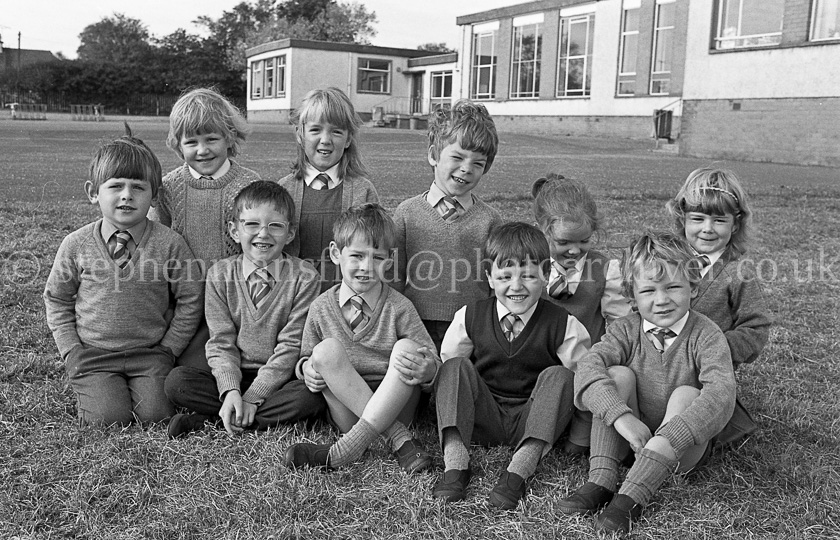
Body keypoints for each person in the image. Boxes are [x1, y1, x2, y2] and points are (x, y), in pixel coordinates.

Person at [558, 231, 736, 535]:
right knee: (617, 376)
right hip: (630, 440)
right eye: (649, 290)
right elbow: (588, 367)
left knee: (686, 394)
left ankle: (630, 498)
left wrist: (666, 439)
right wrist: (622, 416)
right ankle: (600, 479)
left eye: (673, 287)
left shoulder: (707, 335)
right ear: (633, 297)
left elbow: (721, 394)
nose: (662, 299)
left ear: (693, 288)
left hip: (680, 452)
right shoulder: (625, 330)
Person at [43, 124, 203, 427]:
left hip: (150, 354)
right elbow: (57, 299)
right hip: (94, 355)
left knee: (156, 415)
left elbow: (190, 299)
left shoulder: (170, 244)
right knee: (109, 418)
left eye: (138, 187)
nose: (127, 196)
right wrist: (71, 350)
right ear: (94, 193)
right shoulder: (76, 244)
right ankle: (98, 388)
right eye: (116, 186)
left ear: (154, 196)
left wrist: (170, 348)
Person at [432, 222, 591, 510]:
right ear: (490, 278)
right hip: (483, 417)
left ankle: (518, 470)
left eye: (528, 275)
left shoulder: (563, 324)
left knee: (561, 376)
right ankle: (455, 464)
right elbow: (448, 367)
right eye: (505, 276)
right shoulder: (470, 316)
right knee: (454, 366)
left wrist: (580, 436)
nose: (516, 286)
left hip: (532, 421)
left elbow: (583, 382)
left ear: (545, 275)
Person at [283, 204, 438, 474]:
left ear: (388, 261)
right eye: (356, 256)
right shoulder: (321, 307)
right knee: (325, 351)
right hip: (347, 410)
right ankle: (399, 438)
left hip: (395, 404)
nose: (366, 267)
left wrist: (429, 369)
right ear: (335, 253)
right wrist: (306, 369)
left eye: (377, 258)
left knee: (407, 348)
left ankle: (347, 450)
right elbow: (306, 357)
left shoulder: (399, 307)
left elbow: (432, 359)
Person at [164, 181, 326, 437]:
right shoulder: (220, 274)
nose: (263, 234)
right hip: (232, 374)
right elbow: (220, 341)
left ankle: (216, 418)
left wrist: (254, 396)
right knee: (177, 382)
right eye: (251, 224)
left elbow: (291, 346)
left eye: (275, 226)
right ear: (234, 230)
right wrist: (231, 391)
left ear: (290, 233)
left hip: (280, 378)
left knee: (311, 396)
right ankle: (234, 408)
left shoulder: (305, 276)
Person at [150, 87, 262, 369]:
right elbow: (156, 237)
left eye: (211, 139)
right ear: (178, 145)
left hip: (236, 302)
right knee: (185, 367)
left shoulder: (250, 185)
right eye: (191, 142)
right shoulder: (169, 186)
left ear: (229, 138)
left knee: (238, 361)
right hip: (185, 303)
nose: (202, 150)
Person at [666, 167, 771, 447]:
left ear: (735, 224)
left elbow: (756, 328)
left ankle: (668, 446)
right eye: (697, 218)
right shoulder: (667, 261)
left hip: (704, 377)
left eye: (719, 220)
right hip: (658, 365)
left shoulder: (739, 273)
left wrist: (717, 349)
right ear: (682, 219)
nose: (707, 228)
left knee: (688, 415)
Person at [393, 100, 504, 353]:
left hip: (472, 328)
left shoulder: (491, 220)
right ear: (434, 155)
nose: (466, 169)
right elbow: (394, 279)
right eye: (457, 157)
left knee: (456, 381)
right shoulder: (406, 214)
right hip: (415, 325)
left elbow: (497, 282)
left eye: (478, 163)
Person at [532, 174, 631, 454]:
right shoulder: (530, 266)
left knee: (594, 380)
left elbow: (618, 321)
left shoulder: (604, 269)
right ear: (542, 231)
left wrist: (608, 355)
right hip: (539, 357)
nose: (575, 250)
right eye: (563, 242)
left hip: (585, 361)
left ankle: (583, 426)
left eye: (584, 241)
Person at [277, 87, 379, 293]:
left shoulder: (362, 191)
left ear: (349, 139)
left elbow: (373, 251)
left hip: (346, 298)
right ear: (300, 134)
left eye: (336, 131)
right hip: (295, 298)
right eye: (315, 130)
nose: (325, 139)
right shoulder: (284, 189)